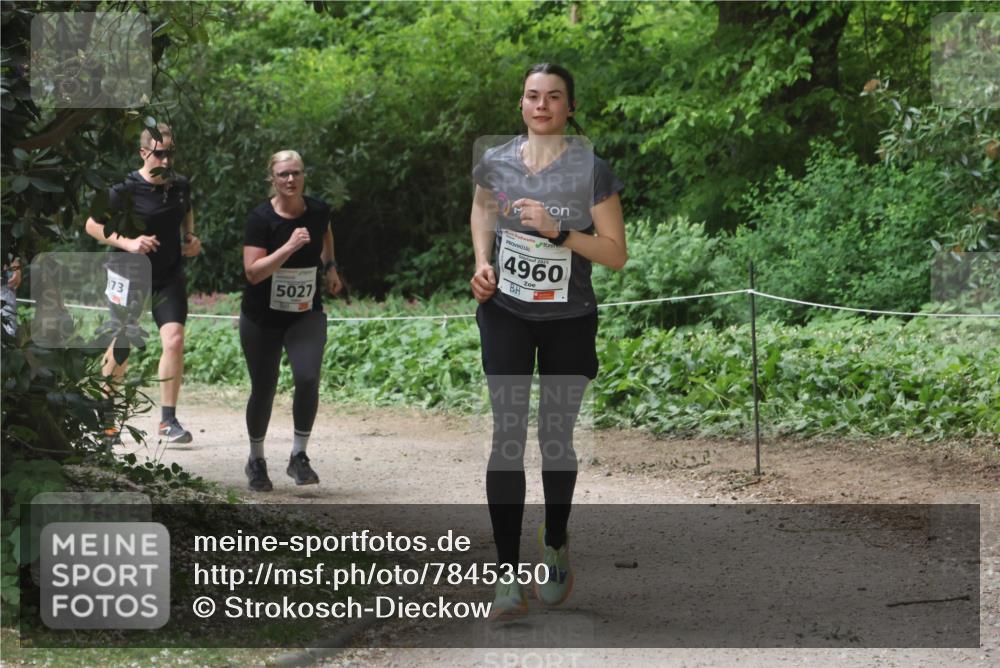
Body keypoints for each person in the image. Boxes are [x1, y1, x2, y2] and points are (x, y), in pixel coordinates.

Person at [469, 63, 627, 621]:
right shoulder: (497, 161)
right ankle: (507, 578)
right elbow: (483, 211)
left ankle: (554, 539)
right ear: (521, 105)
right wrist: (483, 264)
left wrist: (559, 231)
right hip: (507, 312)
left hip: (568, 318)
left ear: (568, 108)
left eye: (553, 97)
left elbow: (615, 254)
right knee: (507, 436)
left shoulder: (591, 171)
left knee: (554, 438)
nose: (542, 105)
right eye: (533, 96)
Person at [85, 123, 201, 443]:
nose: (165, 160)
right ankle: (106, 418)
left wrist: (190, 238)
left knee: (174, 339)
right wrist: (129, 243)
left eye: (170, 153)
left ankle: (168, 421)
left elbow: (186, 212)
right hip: (127, 273)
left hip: (168, 275)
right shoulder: (122, 190)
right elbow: (92, 226)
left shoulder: (180, 185)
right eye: (159, 153)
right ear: (143, 152)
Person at [240, 150, 342, 491]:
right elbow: (253, 273)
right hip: (262, 317)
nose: (290, 180)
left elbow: (325, 233)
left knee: (308, 376)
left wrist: (330, 268)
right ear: (272, 178)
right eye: (283, 174)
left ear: (303, 176)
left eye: (296, 173)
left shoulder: (317, 210)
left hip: (304, 312)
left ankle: (299, 456)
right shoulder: (260, 219)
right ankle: (256, 460)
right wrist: (287, 247)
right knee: (264, 388)